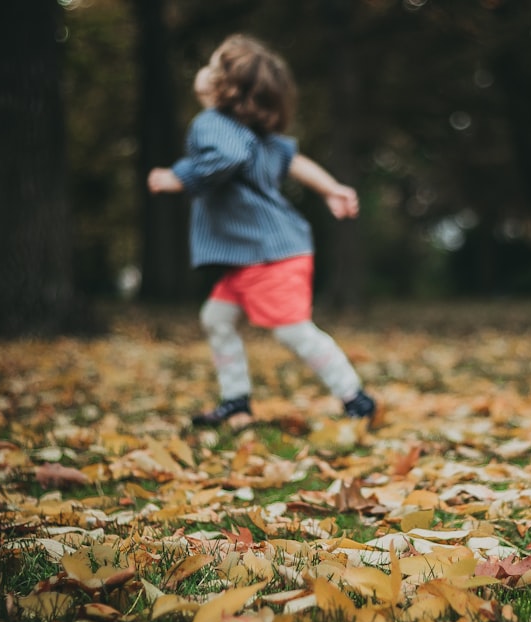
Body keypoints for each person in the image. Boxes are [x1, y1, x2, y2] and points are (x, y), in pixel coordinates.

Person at [147, 34, 375, 429]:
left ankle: (356, 398)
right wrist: (332, 188)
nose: (204, 70)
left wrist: (178, 177)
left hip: (269, 256)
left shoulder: (213, 126)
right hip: (252, 255)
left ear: (226, 88)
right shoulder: (254, 134)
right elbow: (295, 160)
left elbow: (229, 157)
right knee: (217, 318)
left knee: (293, 332)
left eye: (214, 65)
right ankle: (236, 402)